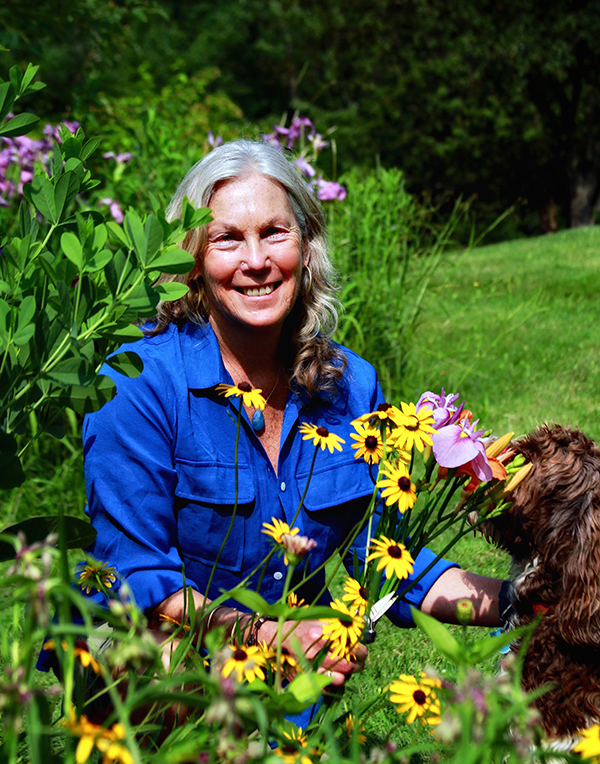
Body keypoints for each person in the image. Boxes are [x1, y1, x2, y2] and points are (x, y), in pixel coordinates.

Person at [81, 140, 504, 693]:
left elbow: (388, 557)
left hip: (290, 668)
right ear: (192, 260)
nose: (255, 261)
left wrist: (523, 602)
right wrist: (263, 635)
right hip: (156, 650)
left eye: (274, 233)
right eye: (226, 238)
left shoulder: (350, 386)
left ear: (306, 246)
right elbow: (135, 576)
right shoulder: (138, 380)